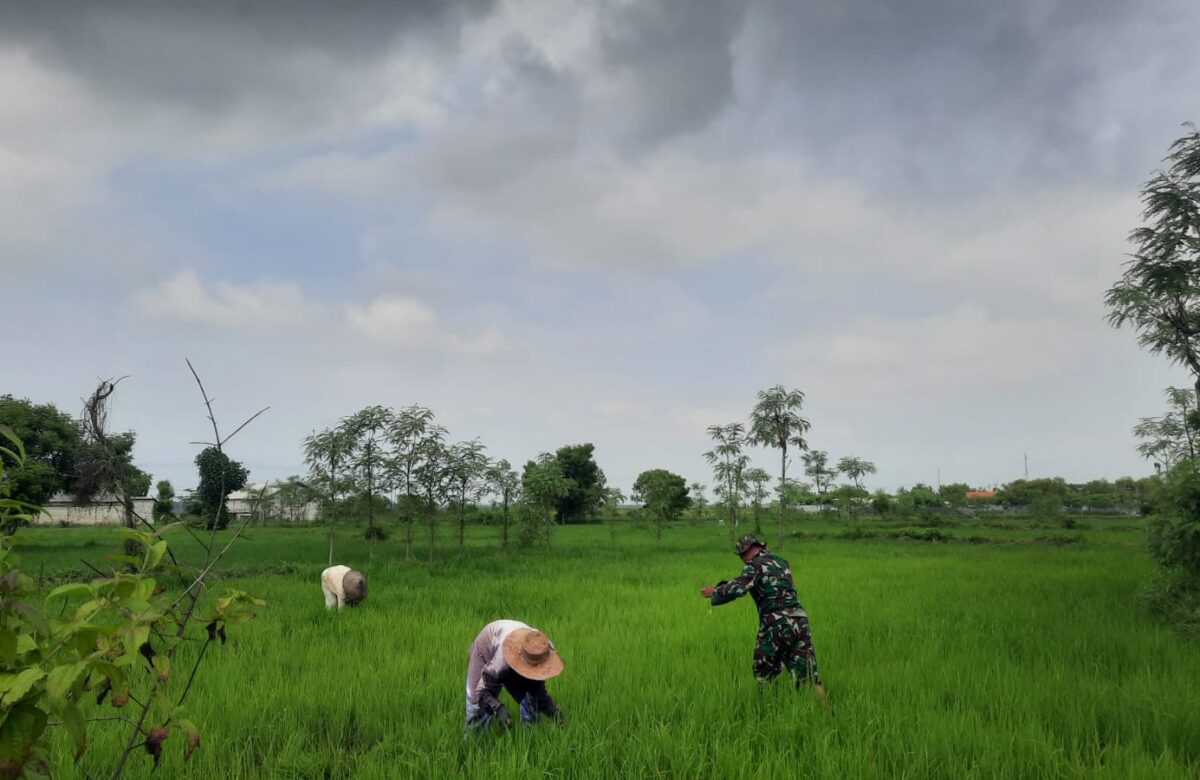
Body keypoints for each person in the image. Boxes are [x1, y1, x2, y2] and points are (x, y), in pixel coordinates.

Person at [701, 535, 826, 696]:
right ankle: (828, 712)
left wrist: (715, 592)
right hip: (800, 620)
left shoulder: (754, 565)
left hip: (776, 623)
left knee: (763, 673)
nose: (742, 559)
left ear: (748, 551)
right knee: (808, 675)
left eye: (741, 555)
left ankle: (767, 709)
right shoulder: (782, 562)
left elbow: (738, 588)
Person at [465, 619, 564, 732]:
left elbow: (537, 690)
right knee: (476, 708)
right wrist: (499, 709)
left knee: (532, 696)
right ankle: (475, 741)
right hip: (487, 644)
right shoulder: (500, 663)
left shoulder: (543, 648)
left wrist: (554, 711)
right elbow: (481, 692)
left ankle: (529, 734)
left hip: (518, 649)